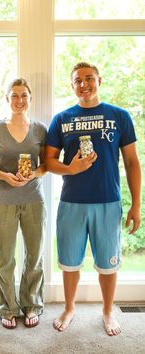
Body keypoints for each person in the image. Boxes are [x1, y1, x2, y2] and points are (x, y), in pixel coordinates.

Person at [45, 62, 141, 336]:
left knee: (108, 263)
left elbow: (132, 162)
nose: (83, 84)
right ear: (72, 85)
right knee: (70, 262)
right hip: (72, 202)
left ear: (100, 80)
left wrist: (136, 204)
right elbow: (49, 162)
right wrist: (70, 168)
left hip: (107, 201)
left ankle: (108, 311)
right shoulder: (62, 119)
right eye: (78, 80)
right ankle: (69, 307)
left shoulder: (119, 116)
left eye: (89, 78)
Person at [0, 78, 47, 329]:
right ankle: (7, 307)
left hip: (33, 200)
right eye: (14, 95)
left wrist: (33, 174)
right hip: (5, 200)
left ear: (30, 99)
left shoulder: (40, 129)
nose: (19, 100)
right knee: (5, 257)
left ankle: (31, 305)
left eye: (24, 96)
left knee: (34, 256)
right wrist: (4, 175)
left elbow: (46, 165)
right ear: (7, 98)